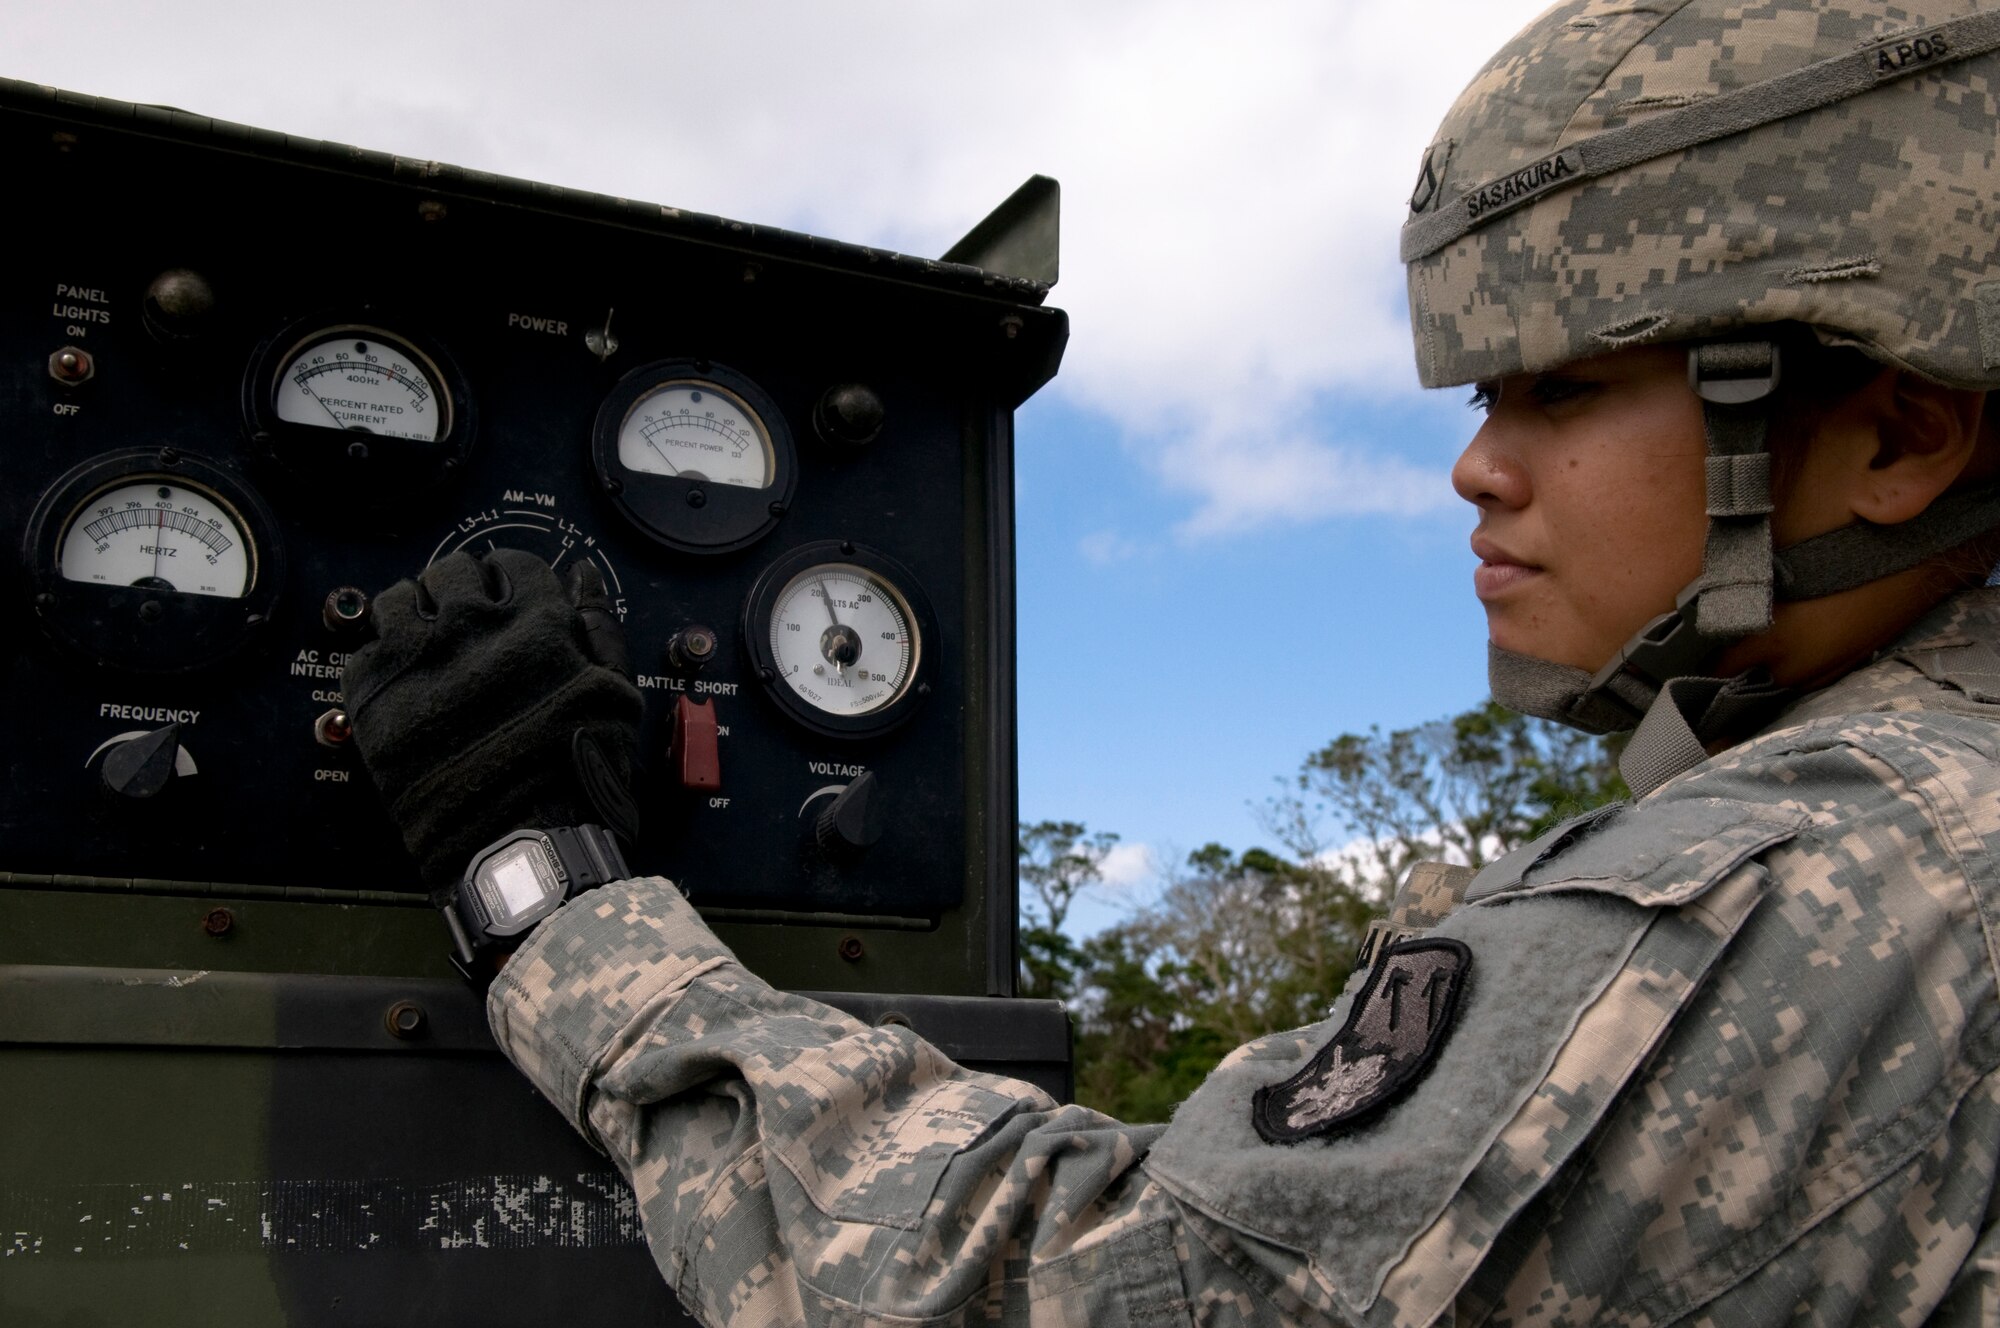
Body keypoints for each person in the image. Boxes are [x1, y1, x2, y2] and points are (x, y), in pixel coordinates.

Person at [344, 1, 2000, 1322]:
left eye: (1562, 393)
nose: (1477, 470)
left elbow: (1119, 1290)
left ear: (1899, 437)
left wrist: (558, 915)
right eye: (1482, 400)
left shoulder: (1830, 871)